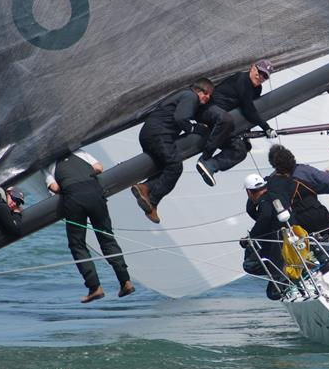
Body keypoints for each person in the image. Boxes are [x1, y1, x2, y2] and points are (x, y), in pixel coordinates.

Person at [45, 150, 135, 303]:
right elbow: (99, 167)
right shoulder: (80, 152)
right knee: (107, 239)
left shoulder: (48, 165)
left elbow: (54, 188)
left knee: (77, 244)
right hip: (95, 193)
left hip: (74, 198)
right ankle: (125, 282)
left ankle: (95, 288)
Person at [131, 78, 214, 224]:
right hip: (160, 134)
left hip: (149, 134)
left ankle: (145, 187)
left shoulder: (183, 95)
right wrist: (195, 128)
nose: (207, 98)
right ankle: (152, 201)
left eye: (209, 96)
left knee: (162, 168)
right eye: (206, 93)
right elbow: (180, 118)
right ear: (198, 90)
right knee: (175, 167)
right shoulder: (190, 96)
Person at [195, 59, 277, 187]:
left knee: (240, 150)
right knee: (225, 119)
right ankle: (205, 157)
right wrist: (266, 128)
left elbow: (245, 114)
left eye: (265, 76)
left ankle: (210, 165)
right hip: (209, 112)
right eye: (260, 72)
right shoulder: (242, 79)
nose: (261, 76)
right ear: (252, 68)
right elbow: (248, 109)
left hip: (224, 123)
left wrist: (246, 135)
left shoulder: (256, 90)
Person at [241, 173, 285, 300]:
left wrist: (251, 238)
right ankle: (282, 272)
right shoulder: (277, 196)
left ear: (249, 192)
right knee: (251, 249)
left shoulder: (264, 203)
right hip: (287, 240)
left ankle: (281, 273)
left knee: (248, 265)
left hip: (276, 248)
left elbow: (264, 218)